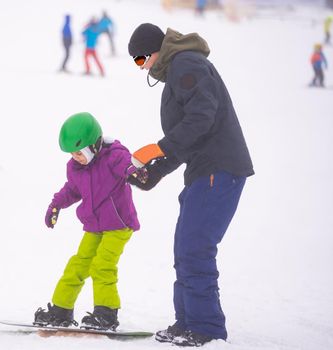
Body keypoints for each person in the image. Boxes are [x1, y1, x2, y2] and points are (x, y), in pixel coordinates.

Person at [127, 24, 254, 346]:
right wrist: (157, 170)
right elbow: (190, 137)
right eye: (136, 62)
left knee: (195, 248)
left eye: (142, 58)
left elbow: (202, 117)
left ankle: (206, 327)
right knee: (185, 249)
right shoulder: (179, 70)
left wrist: (159, 148)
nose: (142, 66)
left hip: (219, 169)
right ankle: (186, 322)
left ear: (157, 48)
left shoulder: (187, 64)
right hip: (204, 170)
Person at [34, 112, 147, 331]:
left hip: (119, 224)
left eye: (79, 152)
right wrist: (55, 205)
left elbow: (129, 166)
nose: (76, 157)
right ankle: (61, 310)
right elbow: (72, 189)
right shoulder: (75, 167)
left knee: (102, 265)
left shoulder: (114, 155)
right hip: (95, 226)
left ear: (94, 145)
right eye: (72, 154)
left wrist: (137, 172)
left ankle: (106, 313)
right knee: (78, 264)